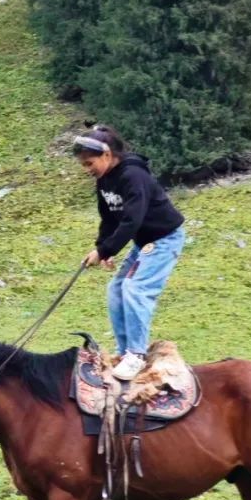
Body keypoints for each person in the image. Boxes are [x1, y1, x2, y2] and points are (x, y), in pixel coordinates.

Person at [74, 125, 186, 382]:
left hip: (164, 239)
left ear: (106, 154)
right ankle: (124, 352)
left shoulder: (133, 175)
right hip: (143, 243)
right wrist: (103, 247)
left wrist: (105, 249)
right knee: (116, 289)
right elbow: (110, 217)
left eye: (90, 163)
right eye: (84, 165)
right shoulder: (104, 180)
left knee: (136, 289)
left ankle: (136, 354)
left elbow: (131, 220)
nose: (87, 169)